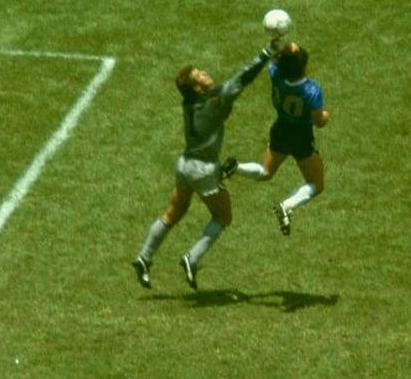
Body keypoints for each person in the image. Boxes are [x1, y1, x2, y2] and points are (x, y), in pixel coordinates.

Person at [132, 38, 280, 290]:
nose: (205, 73)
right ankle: (192, 258)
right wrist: (266, 53)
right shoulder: (214, 100)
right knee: (223, 215)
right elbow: (242, 78)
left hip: (184, 164)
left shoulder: (189, 101)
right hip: (203, 169)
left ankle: (144, 257)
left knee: (173, 213)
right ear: (197, 87)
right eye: (199, 74)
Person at [223, 42, 329, 235]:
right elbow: (318, 122)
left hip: (280, 129)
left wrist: (276, 45)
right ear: (303, 66)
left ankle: (236, 168)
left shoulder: (276, 74)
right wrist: (325, 115)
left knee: (265, 172)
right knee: (316, 183)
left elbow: (274, 62)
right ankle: (286, 206)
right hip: (301, 136)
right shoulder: (312, 91)